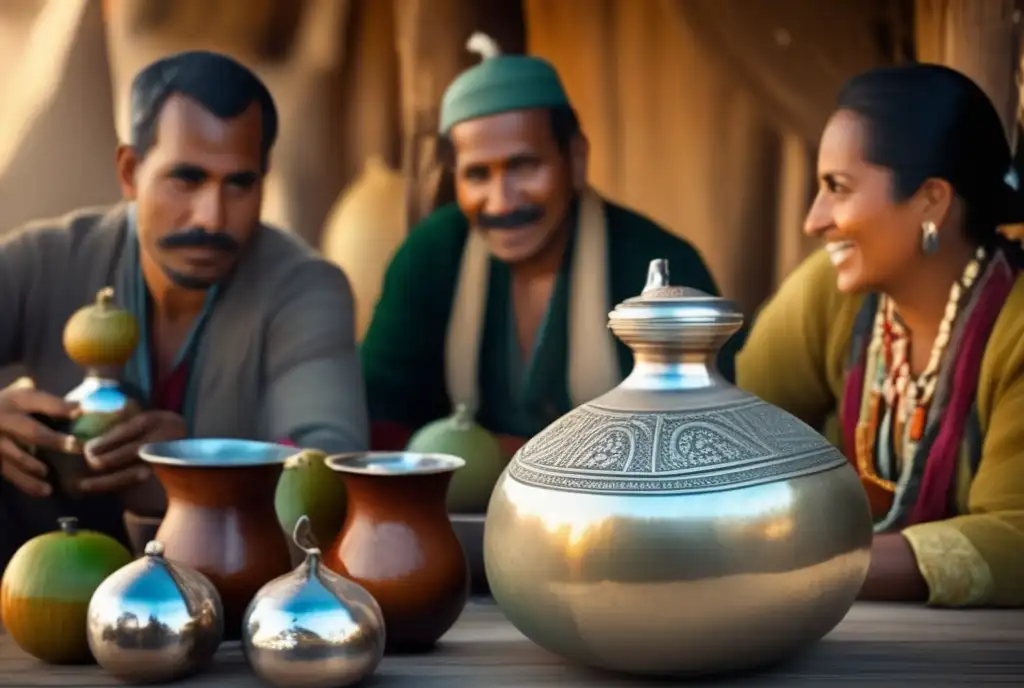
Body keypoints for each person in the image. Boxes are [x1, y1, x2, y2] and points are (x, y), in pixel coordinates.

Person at [0, 50, 368, 567]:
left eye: (240, 183)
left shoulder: (306, 289)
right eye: (187, 179)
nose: (212, 217)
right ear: (130, 171)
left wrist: (194, 462)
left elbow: (325, 465)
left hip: (224, 594)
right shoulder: (42, 261)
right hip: (28, 588)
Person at [361, 33, 741, 454]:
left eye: (524, 166)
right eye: (477, 175)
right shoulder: (432, 255)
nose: (502, 201)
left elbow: (708, 434)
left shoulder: (658, 265)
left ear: (576, 159)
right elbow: (378, 415)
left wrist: (514, 455)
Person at [737, 63, 1024, 608]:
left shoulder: (1014, 333)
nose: (813, 220)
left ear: (931, 200)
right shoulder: (831, 291)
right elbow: (734, 429)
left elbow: (1016, 537)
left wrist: (800, 563)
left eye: (836, 189)